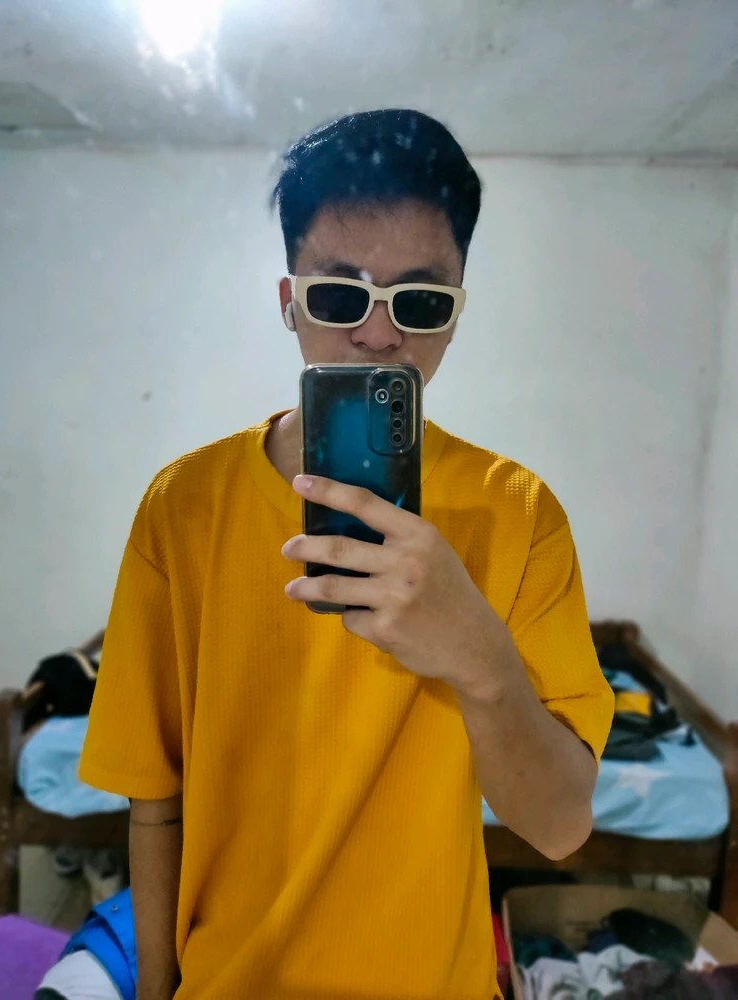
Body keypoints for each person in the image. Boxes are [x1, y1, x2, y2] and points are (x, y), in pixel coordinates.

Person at [79, 108, 614, 1000]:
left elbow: (559, 829)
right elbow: (155, 802)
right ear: (289, 302)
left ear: (457, 315)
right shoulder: (183, 506)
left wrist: (479, 658)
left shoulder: (520, 514)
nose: (377, 335)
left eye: (420, 302)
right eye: (339, 295)